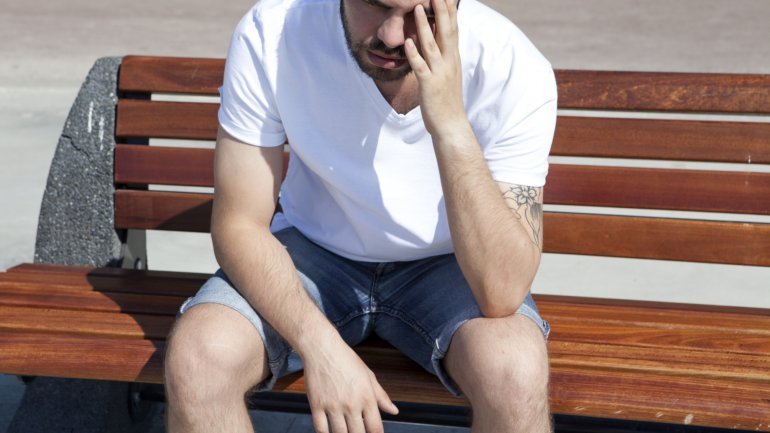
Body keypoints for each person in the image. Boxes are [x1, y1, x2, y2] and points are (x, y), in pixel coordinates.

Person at [164, 0, 557, 431]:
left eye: (421, 14)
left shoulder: (509, 62)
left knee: (514, 369)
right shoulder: (273, 31)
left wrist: (450, 126)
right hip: (314, 253)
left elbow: (501, 291)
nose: (391, 36)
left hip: (449, 264)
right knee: (200, 359)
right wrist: (322, 349)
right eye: (374, 5)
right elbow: (239, 224)